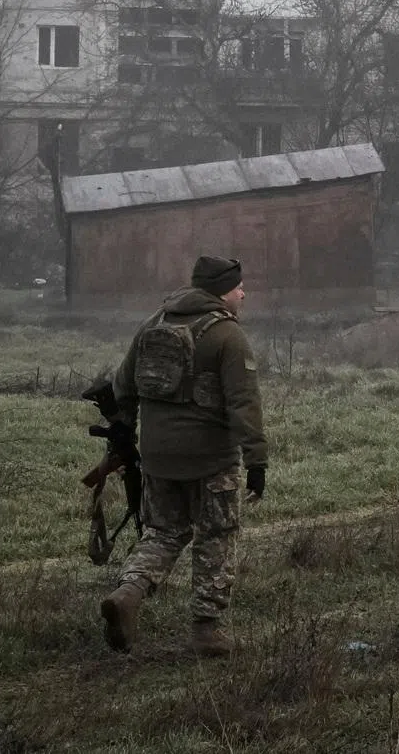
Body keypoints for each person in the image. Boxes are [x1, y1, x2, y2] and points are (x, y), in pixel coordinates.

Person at [99, 254, 267, 658]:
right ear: (221, 290)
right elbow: (244, 402)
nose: (243, 292)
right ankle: (206, 632)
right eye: (238, 286)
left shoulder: (154, 323)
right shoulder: (227, 335)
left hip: (157, 458)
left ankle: (129, 594)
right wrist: (257, 460)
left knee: (162, 533)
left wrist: (126, 436)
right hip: (210, 460)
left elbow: (123, 387)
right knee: (216, 537)